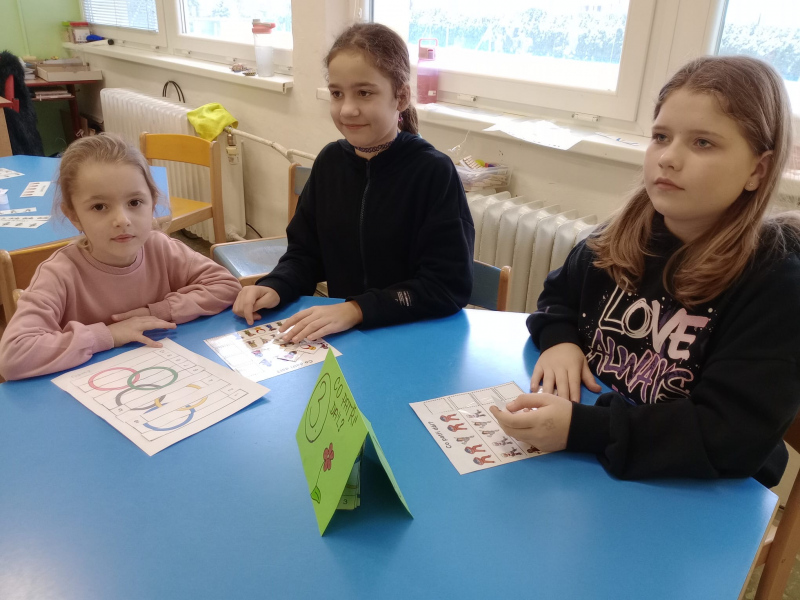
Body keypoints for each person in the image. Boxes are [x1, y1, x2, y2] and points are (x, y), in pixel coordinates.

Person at [491, 55, 800, 487]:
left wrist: (582, 429)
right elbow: (558, 298)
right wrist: (560, 341)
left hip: (700, 488)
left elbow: (729, 434)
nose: (668, 158)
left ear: (757, 170)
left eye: (703, 143)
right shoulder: (620, 235)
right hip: (597, 459)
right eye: (661, 137)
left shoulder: (776, 282)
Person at [233, 23, 474, 342]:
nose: (347, 109)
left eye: (364, 92)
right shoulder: (329, 162)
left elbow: (446, 286)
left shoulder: (433, 172)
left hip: (414, 336)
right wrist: (276, 285)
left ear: (401, 96)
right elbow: (305, 254)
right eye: (337, 94)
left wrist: (357, 309)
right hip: (348, 337)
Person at [0, 134, 242, 380]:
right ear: (73, 215)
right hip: (95, 386)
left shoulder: (161, 248)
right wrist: (109, 335)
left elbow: (226, 286)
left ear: (152, 204)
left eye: (135, 202)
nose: (122, 220)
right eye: (99, 207)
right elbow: (14, 355)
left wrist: (159, 311)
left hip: (162, 374)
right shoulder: (59, 273)